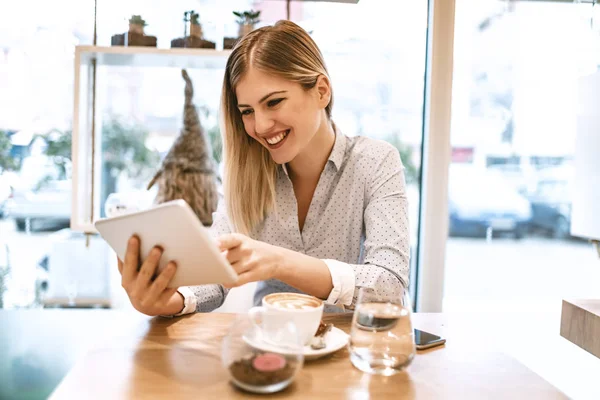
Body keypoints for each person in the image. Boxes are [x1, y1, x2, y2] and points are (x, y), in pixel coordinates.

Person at [117, 20, 410, 317]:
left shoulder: (375, 161)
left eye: (273, 102)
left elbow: (390, 285)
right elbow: (214, 274)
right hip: (267, 345)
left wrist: (279, 262)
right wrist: (173, 299)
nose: (259, 126)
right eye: (247, 111)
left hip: (347, 347)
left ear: (321, 91)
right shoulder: (246, 171)